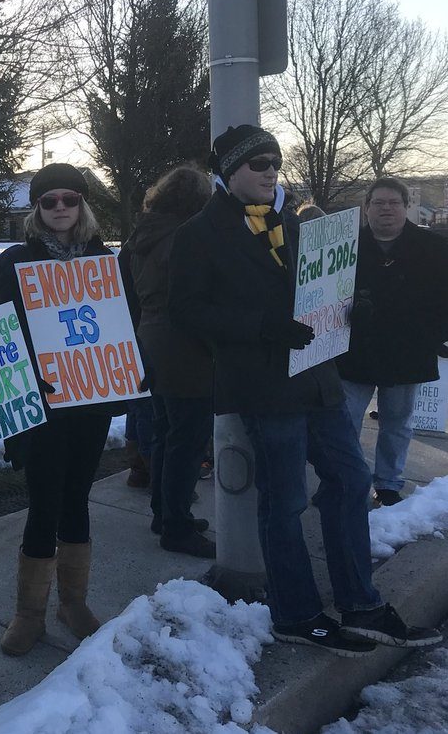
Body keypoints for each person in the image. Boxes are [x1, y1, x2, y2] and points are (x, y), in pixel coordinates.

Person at [169, 125, 441, 656]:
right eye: (257, 162)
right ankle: (296, 612)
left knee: (349, 477)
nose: (270, 169)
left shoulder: (296, 224)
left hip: (319, 379)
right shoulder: (199, 234)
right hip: (264, 386)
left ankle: (361, 603)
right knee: (286, 499)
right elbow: (185, 310)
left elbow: (317, 289)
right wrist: (261, 325)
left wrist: (345, 307)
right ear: (229, 172)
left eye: (274, 160)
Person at [0, 163, 124, 656]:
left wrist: (124, 370)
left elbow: (120, 323)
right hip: (40, 403)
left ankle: (73, 603)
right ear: (36, 208)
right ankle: (28, 612)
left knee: (77, 499)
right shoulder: (13, 262)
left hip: (89, 402)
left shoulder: (100, 258)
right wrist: (25, 374)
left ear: (83, 204)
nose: (60, 209)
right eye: (49, 201)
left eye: (69, 199)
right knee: (43, 501)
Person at [336, 177, 448, 506]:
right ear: (366, 208)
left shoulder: (434, 248)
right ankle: (345, 479)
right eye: (379, 203)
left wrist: (436, 335)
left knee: (396, 423)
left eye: (394, 203)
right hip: (355, 351)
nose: (387, 209)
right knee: (345, 420)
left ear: (406, 207)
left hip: (407, 350)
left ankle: (388, 483)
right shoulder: (347, 248)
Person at [123, 165, 215, 558]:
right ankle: (176, 525)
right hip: (185, 347)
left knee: (164, 432)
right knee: (187, 440)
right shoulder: (188, 237)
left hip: (150, 338)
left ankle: (165, 512)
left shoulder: (141, 235)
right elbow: (197, 294)